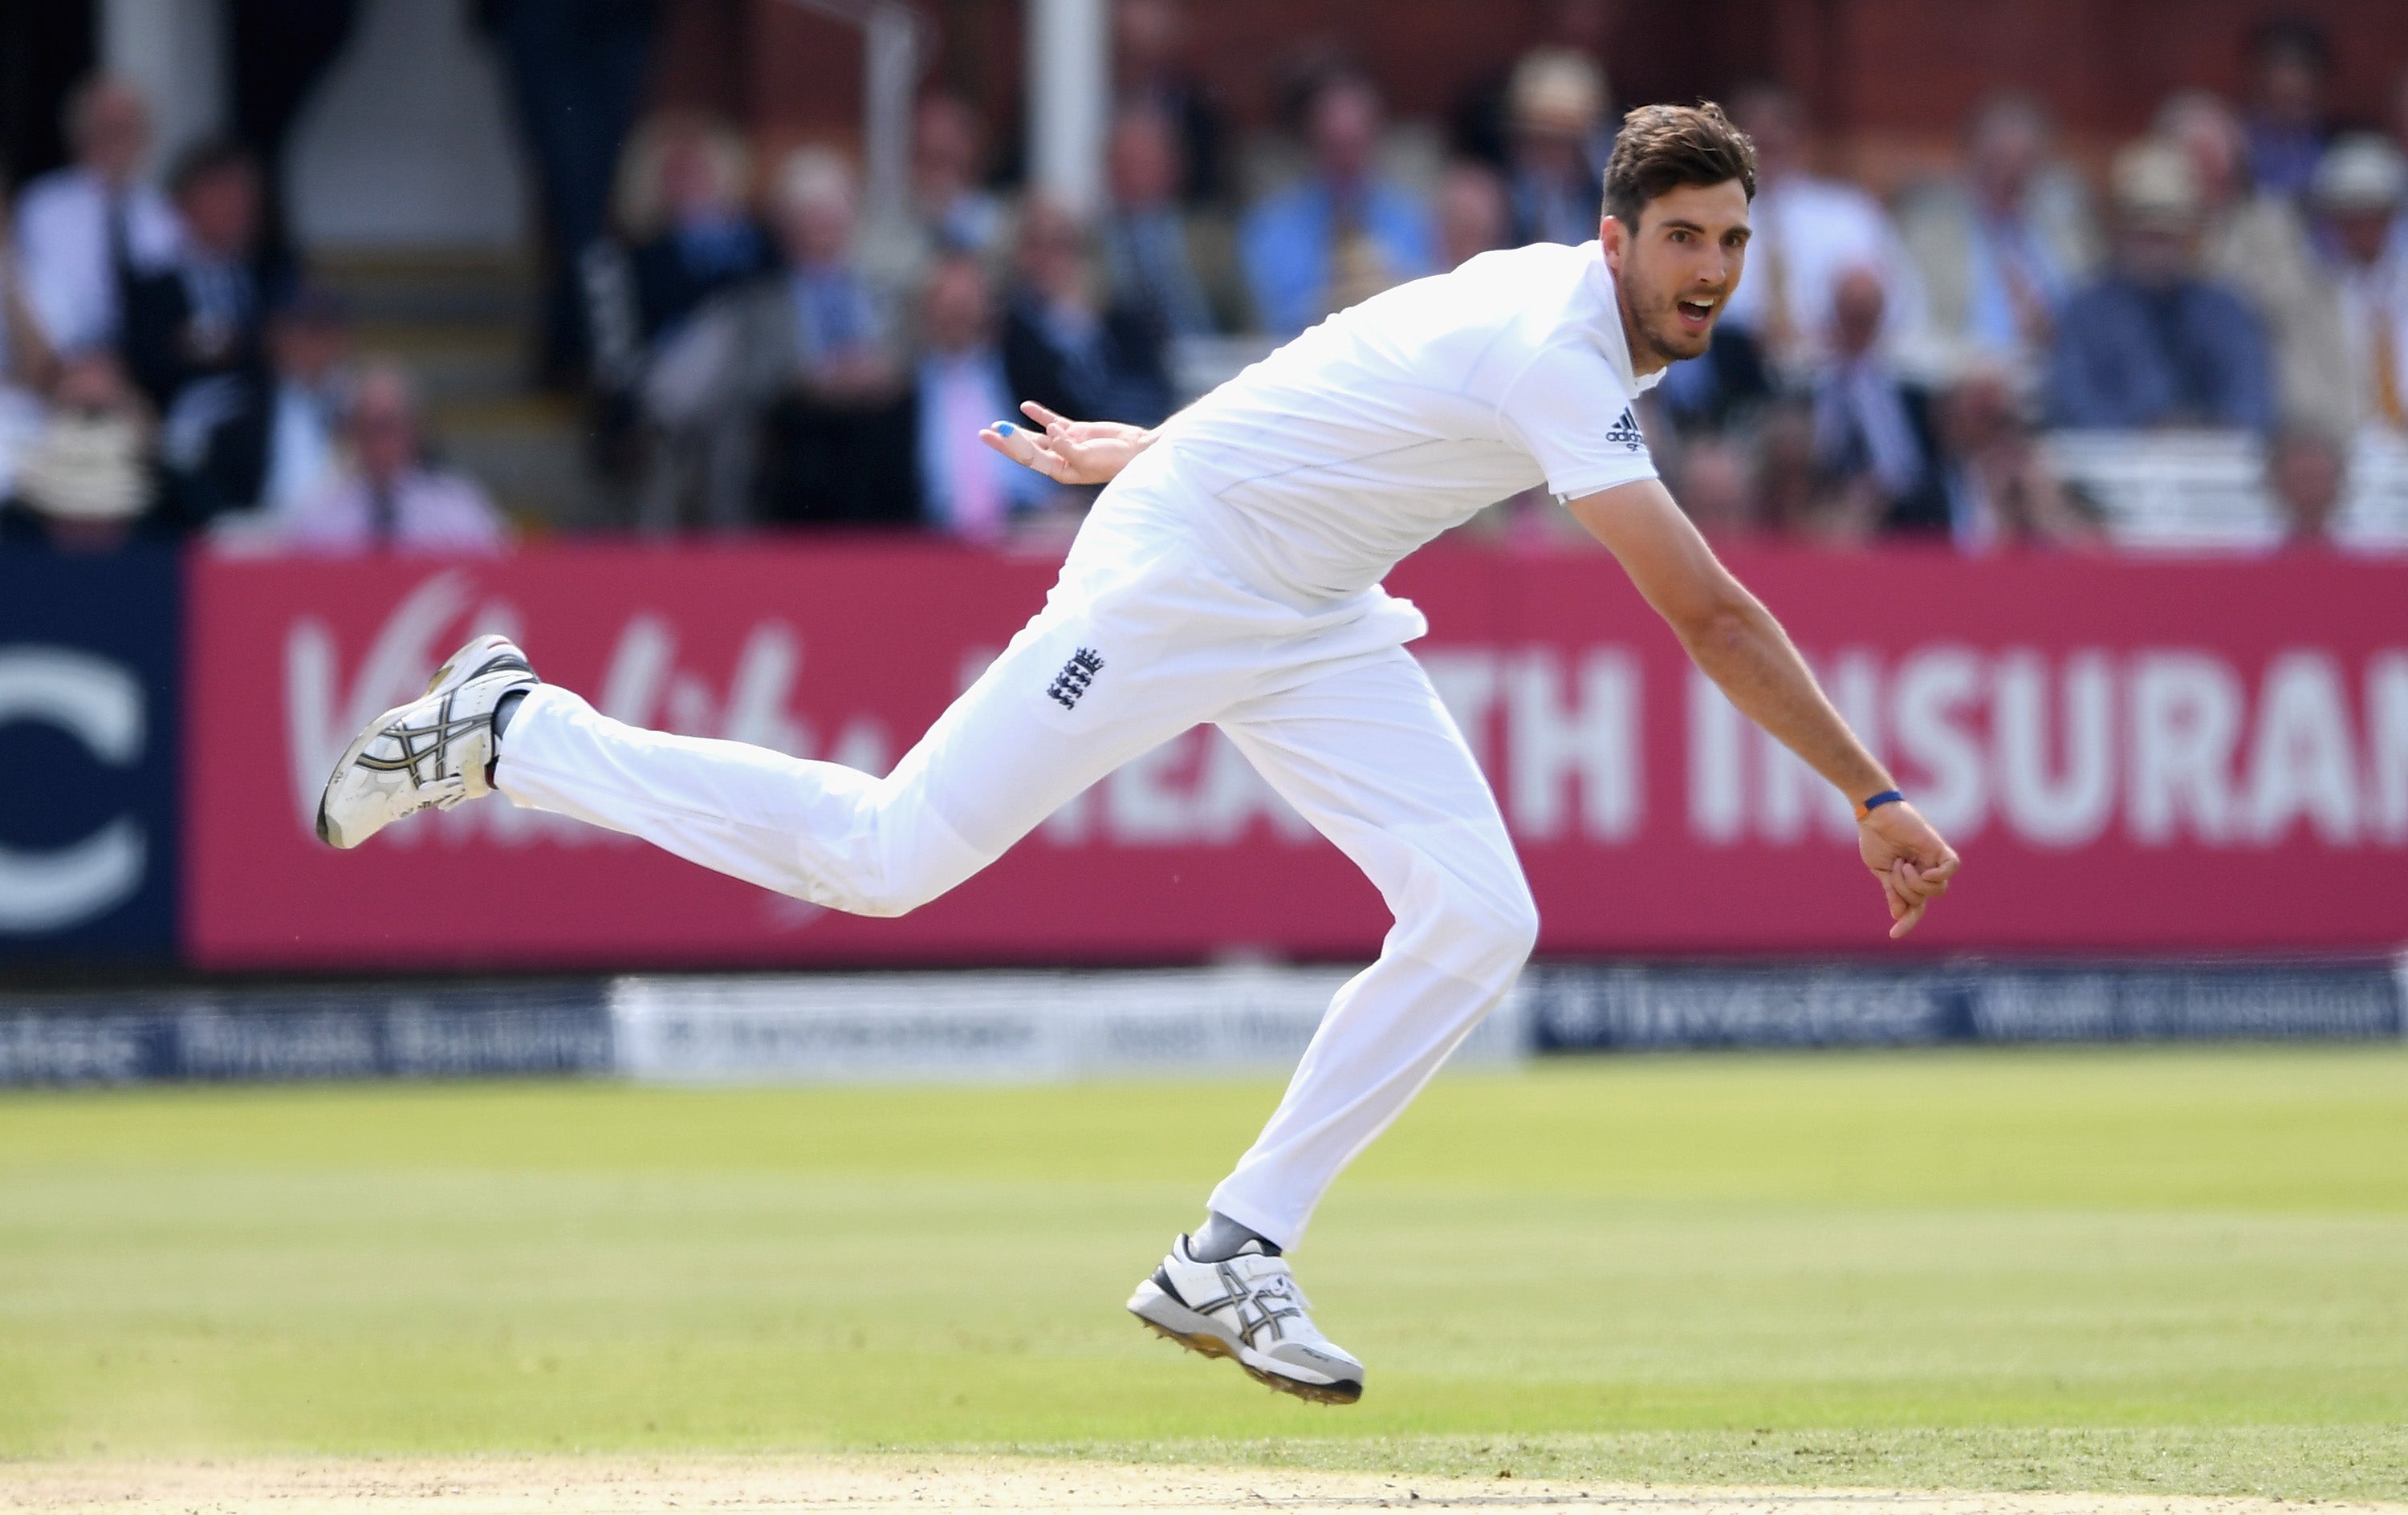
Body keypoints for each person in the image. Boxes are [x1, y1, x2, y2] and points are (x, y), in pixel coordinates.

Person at [312, 102, 1959, 1406]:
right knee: (891, 857)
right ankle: (515, 731)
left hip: (1303, 598)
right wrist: (1869, 790)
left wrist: (1160, 441)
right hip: (1186, 580)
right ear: (1616, 234)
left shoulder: (1541, 305)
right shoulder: (1562, 349)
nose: (1715, 269)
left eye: (1734, 240)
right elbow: (1713, 615)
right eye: (1684, 237)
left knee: (1479, 912)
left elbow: (1348, 378)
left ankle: (1234, 1246)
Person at [640, 149, 913, 529]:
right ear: (787, 231)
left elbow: (914, 367)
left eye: (834, 222)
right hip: (785, 469)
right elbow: (699, 395)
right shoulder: (749, 308)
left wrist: (884, 374)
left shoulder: (887, 298)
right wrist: (807, 380)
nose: (824, 236)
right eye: (812, 223)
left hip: (873, 471)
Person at [2046, 141, 2272, 432]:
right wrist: (2144, 431)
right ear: (2120, 235)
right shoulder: (2085, 313)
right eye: (2146, 234)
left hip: (2213, 468)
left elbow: (2254, 404)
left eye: (2170, 234)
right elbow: (2073, 407)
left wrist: (2200, 433)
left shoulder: (2226, 312)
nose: (2158, 249)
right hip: (2111, 469)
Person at [2157, 91, 2345, 429]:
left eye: (2223, 157)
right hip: (2173, 387)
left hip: (2266, 382)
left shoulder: (2271, 223)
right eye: (2199, 157)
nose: (2214, 170)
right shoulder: (2149, 231)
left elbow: (2287, 301)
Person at [119, 140, 280, 526]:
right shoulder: (153, 287)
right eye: (221, 191)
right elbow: (142, 359)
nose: (236, 206)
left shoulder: (270, 279)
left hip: (259, 434)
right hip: (176, 438)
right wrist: (190, 353)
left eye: (243, 193)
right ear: (185, 201)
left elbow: (278, 356)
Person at [1719, 83, 1924, 377]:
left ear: (1800, 139)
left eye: (1775, 138)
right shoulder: (1704, 220)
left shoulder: (1848, 212)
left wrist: (1838, 330)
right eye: (1751, 137)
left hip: (1837, 372)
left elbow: (1905, 304)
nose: (1763, 150)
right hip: (1741, 375)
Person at [1896, 93, 2098, 376]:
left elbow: (2095, 313)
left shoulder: (2067, 227)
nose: (2009, 174)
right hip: (1964, 377)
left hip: (2059, 375)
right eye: (1997, 160)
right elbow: (1915, 329)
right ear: (1969, 159)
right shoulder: (1930, 231)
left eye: (2025, 163)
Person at [1239, 68, 1437, 338]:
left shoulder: (1415, 220)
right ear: (1311, 145)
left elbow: (1429, 307)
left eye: (1356, 145)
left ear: (1375, 141)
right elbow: (1270, 319)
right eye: (1334, 147)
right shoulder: (1269, 228)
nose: (1346, 162)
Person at [11, 76, 184, 356]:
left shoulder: (161, 213)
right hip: (65, 360)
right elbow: (34, 302)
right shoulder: (43, 206)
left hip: (144, 366)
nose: (118, 140)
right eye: (107, 129)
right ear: (80, 134)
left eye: (128, 129)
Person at [270, 363, 506, 553]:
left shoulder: (459, 509)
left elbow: (498, 577)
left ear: (415, 428)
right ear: (351, 433)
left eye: (389, 425)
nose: (380, 441)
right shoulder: (319, 519)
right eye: (368, 427)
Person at [914, 254, 1052, 540]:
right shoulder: (901, 397)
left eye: (966, 305)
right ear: (926, 311)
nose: (957, 316)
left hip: (1031, 529)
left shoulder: (1032, 374)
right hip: (932, 543)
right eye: (947, 306)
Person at [1002, 198, 1172, 429]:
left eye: (1060, 245)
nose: (1047, 258)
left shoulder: (1124, 325)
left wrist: (1083, 329)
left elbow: (1155, 397)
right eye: (1036, 244)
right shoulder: (1003, 335)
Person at [1809, 266, 1946, 537]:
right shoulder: (1809, 387)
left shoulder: (1914, 394)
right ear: (1835, 315)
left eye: (1866, 315)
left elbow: (1921, 468)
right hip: (1824, 508)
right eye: (1851, 314)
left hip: (1903, 515)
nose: (1858, 325)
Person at [1098, 101, 1233, 339]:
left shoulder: (1210, 236)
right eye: (1125, 161)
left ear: (1172, 167)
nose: (1133, 173)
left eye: (1145, 161)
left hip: (1209, 362)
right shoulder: (1089, 241)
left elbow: (1246, 320)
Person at [2308, 135, 2408, 433]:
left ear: (2393, 216)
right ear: (2332, 221)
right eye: (2351, 216)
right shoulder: (2313, 297)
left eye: (2374, 213)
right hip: (2350, 446)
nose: (2364, 227)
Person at [1501, 49, 1609, 248]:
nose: (1554, 153)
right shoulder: (1494, 199)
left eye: (1566, 141)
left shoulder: (1605, 200)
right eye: (1543, 139)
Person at [2241, 17, 2332, 203]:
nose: (2290, 84)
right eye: (2280, 71)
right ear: (2260, 78)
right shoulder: (2236, 142)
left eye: (2300, 71)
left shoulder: (2335, 142)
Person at [2265, 423, 2349, 546]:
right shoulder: (2250, 557)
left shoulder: (2368, 556)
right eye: (2301, 478)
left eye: (2316, 478)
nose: (2309, 490)